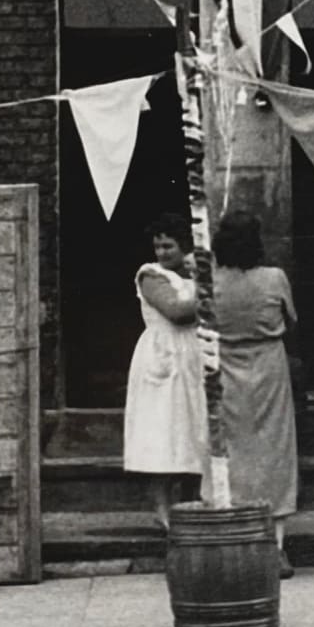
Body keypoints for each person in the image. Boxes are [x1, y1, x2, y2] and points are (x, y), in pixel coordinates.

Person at [209, 210, 300, 577]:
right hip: (268, 368)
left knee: (230, 451)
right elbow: (291, 319)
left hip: (226, 368)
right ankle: (275, 546)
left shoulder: (211, 282)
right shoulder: (274, 278)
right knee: (275, 452)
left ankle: (232, 539)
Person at [123, 213, 206, 528]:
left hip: (195, 357)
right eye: (157, 246)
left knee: (192, 433)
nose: (162, 253)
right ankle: (162, 510)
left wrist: (203, 276)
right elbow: (177, 312)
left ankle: (192, 504)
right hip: (164, 356)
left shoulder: (194, 273)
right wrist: (210, 287)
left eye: (168, 246)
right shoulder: (151, 275)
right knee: (163, 434)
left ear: (184, 246)